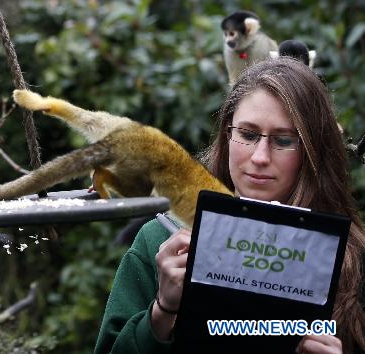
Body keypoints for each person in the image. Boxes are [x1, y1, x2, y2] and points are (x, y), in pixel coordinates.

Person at [94, 58, 365, 354]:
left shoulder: (349, 258)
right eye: (248, 135)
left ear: (312, 152)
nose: (260, 157)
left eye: (283, 140)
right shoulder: (163, 241)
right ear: (228, 134)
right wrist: (162, 311)